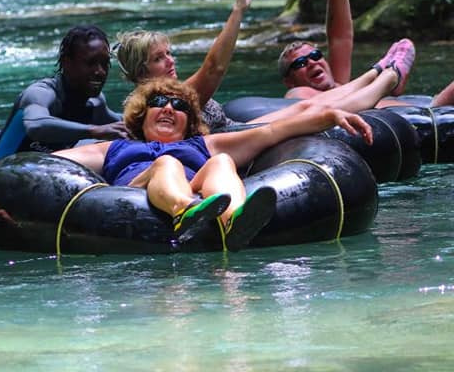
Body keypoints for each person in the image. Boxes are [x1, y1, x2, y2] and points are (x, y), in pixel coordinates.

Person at [53, 78, 373, 251]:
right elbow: (52, 165)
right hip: (137, 193)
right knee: (167, 163)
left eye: (178, 105)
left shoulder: (203, 144)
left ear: (189, 121)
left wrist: (330, 115)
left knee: (220, 161)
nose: (168, 108)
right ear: (141, 114)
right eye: (158, 102)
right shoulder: (114, 147)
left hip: (197, 193)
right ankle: (183, 212)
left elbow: (273, 130)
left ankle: (233, 221)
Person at [113, 0, 412, 128]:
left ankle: (379, 73)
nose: (170, 61)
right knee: (308, 107)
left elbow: (342, 41)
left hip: (237, 130)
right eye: (158, 58)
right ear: (142, 71)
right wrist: (238, 10)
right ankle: (387, 76)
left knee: (309, 105)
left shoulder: (163, 93)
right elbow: (215, 68)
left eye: (169, 53)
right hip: (234, 143)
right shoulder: (160, 101)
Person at [279, 0, 454, 108]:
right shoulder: (298, 94)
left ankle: (388, 75)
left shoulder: (340, 85)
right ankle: (387, 74)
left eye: (315, 55)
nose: (312, 62)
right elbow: (310, 109)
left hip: (426, 112)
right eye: (300, 63)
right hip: (426, 117)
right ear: (290, 81)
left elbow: (341, 38)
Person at [0, 25, 128, 162]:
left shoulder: (95, 103)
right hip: (0, 176)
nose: (100, 72)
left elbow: (119, 124)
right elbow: (36, 126)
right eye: (90, 63)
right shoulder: (40, 93)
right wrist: (94, 131)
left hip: (44, 176)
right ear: (67, 62)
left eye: (105, 64)